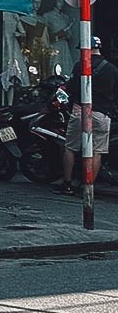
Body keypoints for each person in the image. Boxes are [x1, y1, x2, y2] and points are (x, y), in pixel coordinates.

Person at [54, 37, 117, 195]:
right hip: (102, 114)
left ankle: (67, 184)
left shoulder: (80, 66)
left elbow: (72, 89)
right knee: (97, 151)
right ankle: (87, 186)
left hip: (80, 111)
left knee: (70, 148)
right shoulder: (112, 70)